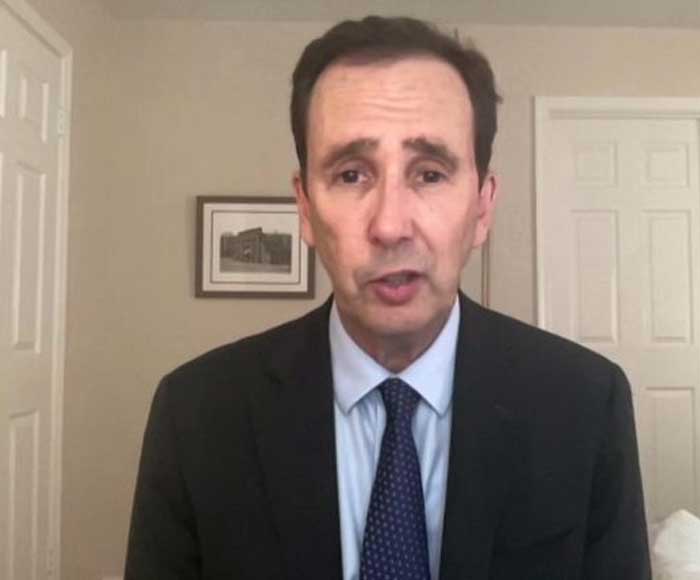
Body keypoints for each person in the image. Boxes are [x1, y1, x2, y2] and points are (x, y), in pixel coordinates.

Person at [125, 15, 650, 580]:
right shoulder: (197, 414)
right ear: (306, 209)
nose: (391, 226)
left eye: (430, 174)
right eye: (352, 175)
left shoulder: (585, 403)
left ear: (482, 206)